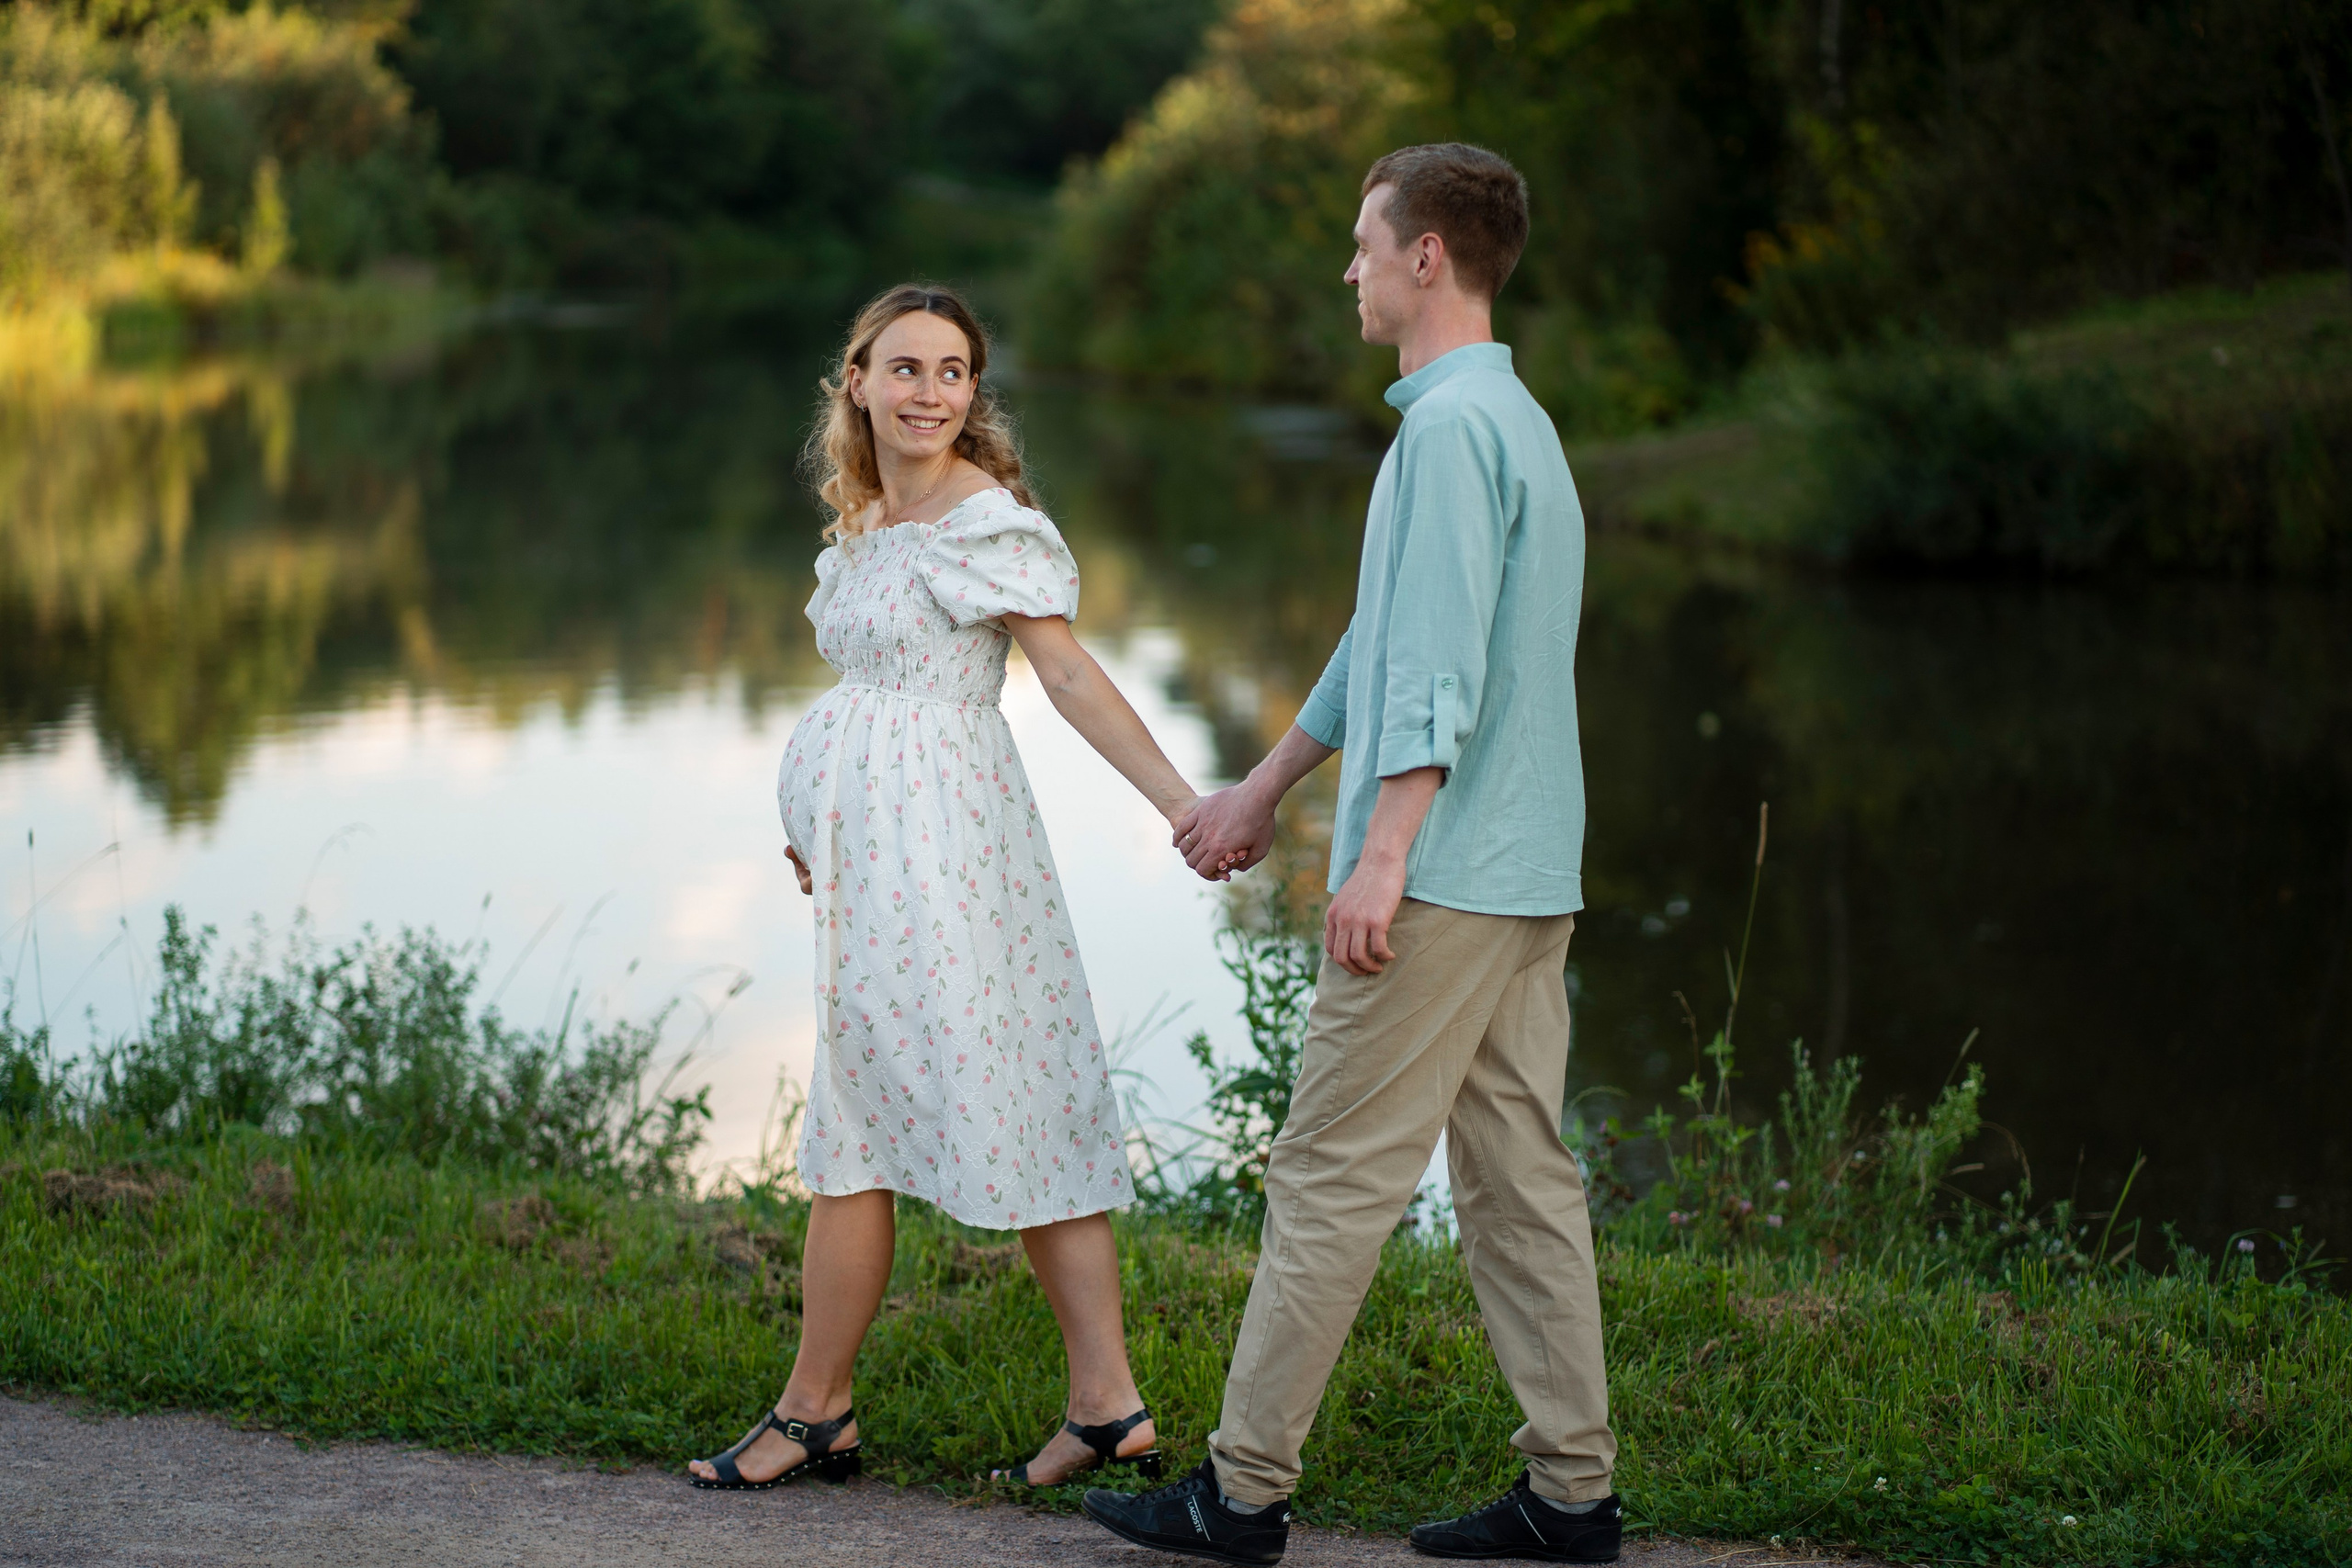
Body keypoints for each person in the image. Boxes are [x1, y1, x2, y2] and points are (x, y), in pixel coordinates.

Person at [1081, 144, 1623, 1564]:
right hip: (1526, 873)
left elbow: (1432, 672)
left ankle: (1240, 1492)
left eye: (1365, 243)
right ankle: (1575, 1497)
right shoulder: (1509, 420)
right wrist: (1265, 786)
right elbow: (1383, 641)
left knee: (1327, 1174)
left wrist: (1382, 852)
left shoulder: (1448, 438)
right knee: (1520, 1185)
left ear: (1427, 256)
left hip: (1441, 877)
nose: (1350, 268)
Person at [687, 283, 1203, 1494]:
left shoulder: (987, 523)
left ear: (975, 395)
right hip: (877, 854)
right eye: (906, 369)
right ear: (856, 381)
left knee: (942, 1100)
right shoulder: (870, 518)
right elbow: (866, 701)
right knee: (922, 1102)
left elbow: (1067, 679)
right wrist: (819, 803)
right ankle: (1080, 1405)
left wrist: (1184, 806)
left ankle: (845, 1412)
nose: (929, 394)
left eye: (954, 373)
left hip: (948, 855)